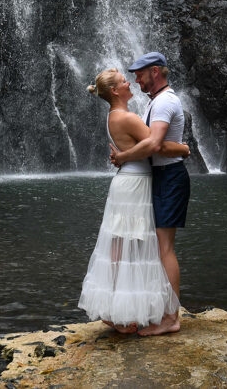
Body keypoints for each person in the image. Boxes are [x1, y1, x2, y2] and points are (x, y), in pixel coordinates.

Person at [78, 68, 188, 334]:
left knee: (119, 246)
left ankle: (119, 313)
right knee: (131, 246)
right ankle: (124, 316)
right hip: (135, 184)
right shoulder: (126, 117)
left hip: (125, 183)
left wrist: (123, 156)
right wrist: (184, 149)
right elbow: (156, 145)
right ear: (115, 91)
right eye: (125, 81)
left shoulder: (113, 116)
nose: (130, 83)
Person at [109, 51, 189, 336]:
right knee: (157, 247)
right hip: (160, 177)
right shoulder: (155, 103)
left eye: (139, 74)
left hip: (170, 177)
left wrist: (123, 157)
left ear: (155, 72)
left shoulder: (166, 101)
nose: (136, 80)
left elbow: (154, 144)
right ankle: (155, 311)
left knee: (164, 247)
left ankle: (171, 317)